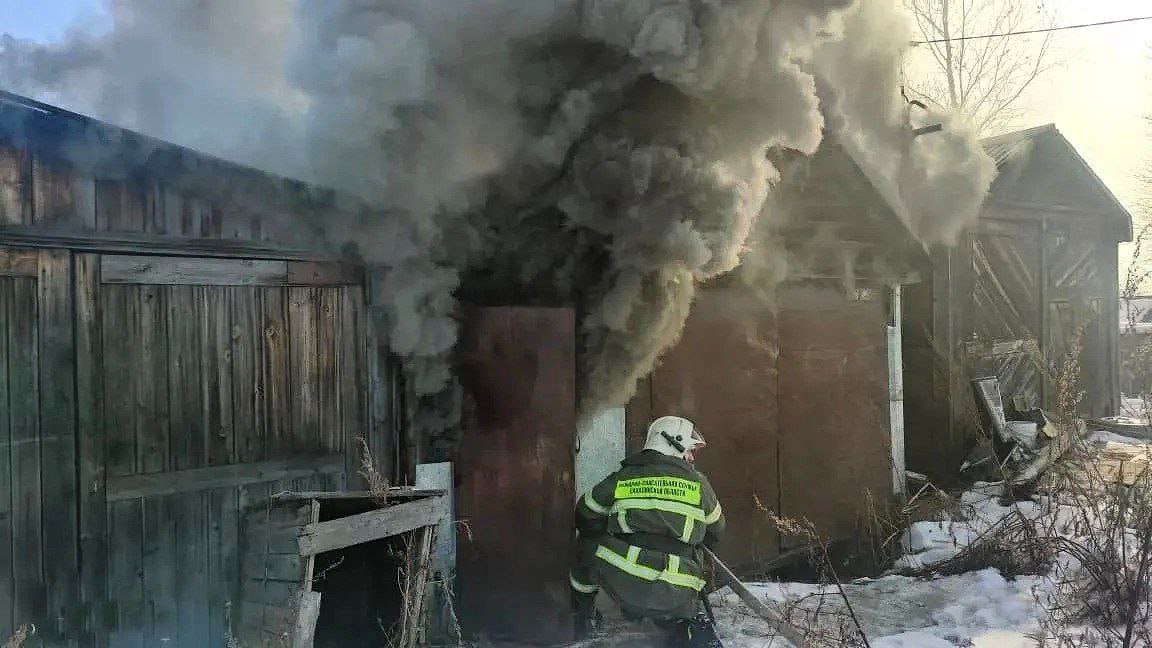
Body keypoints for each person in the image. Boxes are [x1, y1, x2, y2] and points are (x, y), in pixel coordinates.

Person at [570, 415, 726, 647]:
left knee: (586, 544)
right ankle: (678, 623)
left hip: (627, 588)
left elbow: (585, 513)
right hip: (679, 592)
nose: (692, 457)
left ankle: (581, 617)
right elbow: (716, 531)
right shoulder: (699, 484)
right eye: (690, 450)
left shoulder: (623, 478)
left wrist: (611, 531)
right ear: (673, 442)